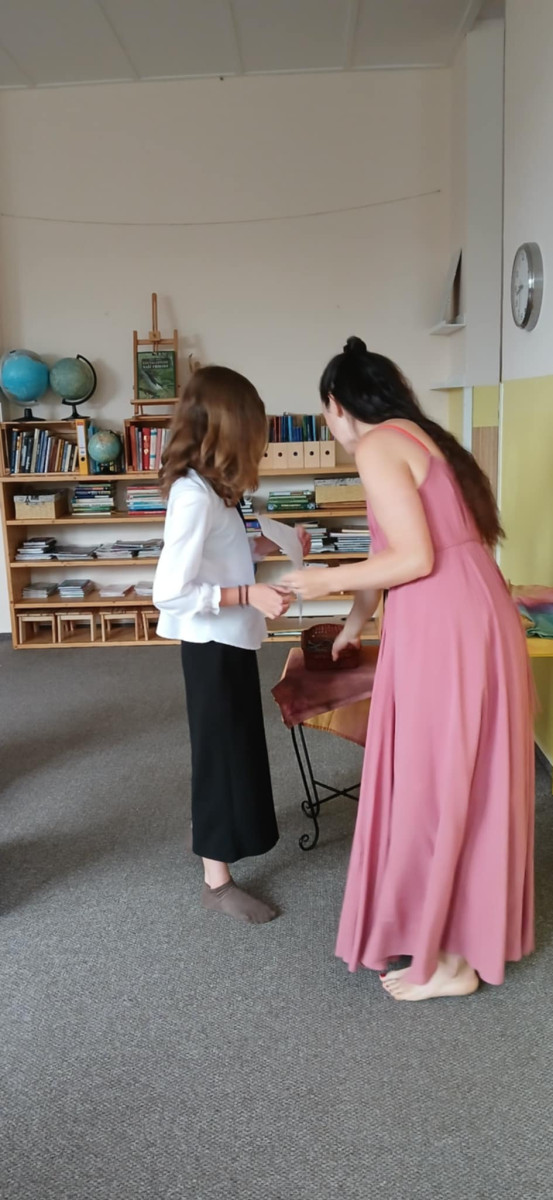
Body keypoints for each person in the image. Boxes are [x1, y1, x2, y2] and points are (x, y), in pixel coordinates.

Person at [284, 337, 534, 1000]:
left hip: (443, 618)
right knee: (461, 775)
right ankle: (456, 938)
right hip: (471, 608)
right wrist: (355, 621)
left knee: (436, 779)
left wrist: (321, 579)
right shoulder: (421, 438)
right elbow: (389, 547)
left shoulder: (376, 446)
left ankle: (448, 958)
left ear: (336, 405)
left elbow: (414, 558)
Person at [154, 365, 309, 924]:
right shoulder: (193, 497)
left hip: (232, 639)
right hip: (211, 646)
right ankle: (215, 883)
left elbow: (217, 557)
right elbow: (170, 592)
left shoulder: (216, 491)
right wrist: (249, 592)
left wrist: (266, 547)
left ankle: (217, 835)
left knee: (235, 747)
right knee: (220, 755)